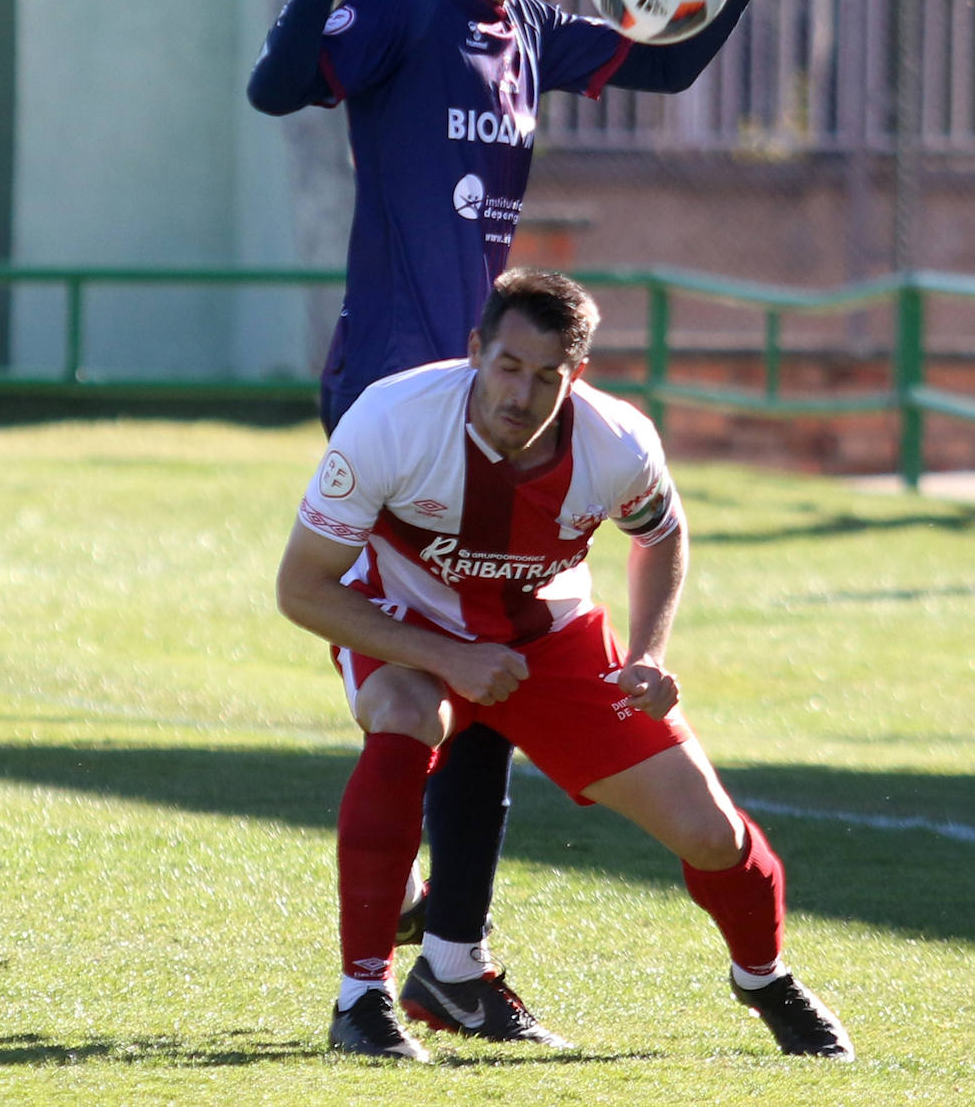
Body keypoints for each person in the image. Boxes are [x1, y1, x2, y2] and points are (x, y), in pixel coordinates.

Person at [248, 0, 829, 1045]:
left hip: (503, 401)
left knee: (491, 670)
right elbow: (278, 84)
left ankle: (448, 951)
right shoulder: (400, 5)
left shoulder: (529, 33)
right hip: (402, 401)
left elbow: (671, 72)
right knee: (439, 685)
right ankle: (430, 949)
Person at [276, 267, 855, 1063]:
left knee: (712, 833)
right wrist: (451, 657)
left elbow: (660, 536)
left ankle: (764, 978)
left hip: (552, 643)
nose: (519, 393)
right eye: (507, 366)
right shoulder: (392, 419)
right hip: (404, 630)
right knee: (407, 717)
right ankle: (362, 1000)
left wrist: (649, 655)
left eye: (546, 376)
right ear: (476, 349)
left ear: (575, 375)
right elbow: (302, 589)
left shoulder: (616, 441)